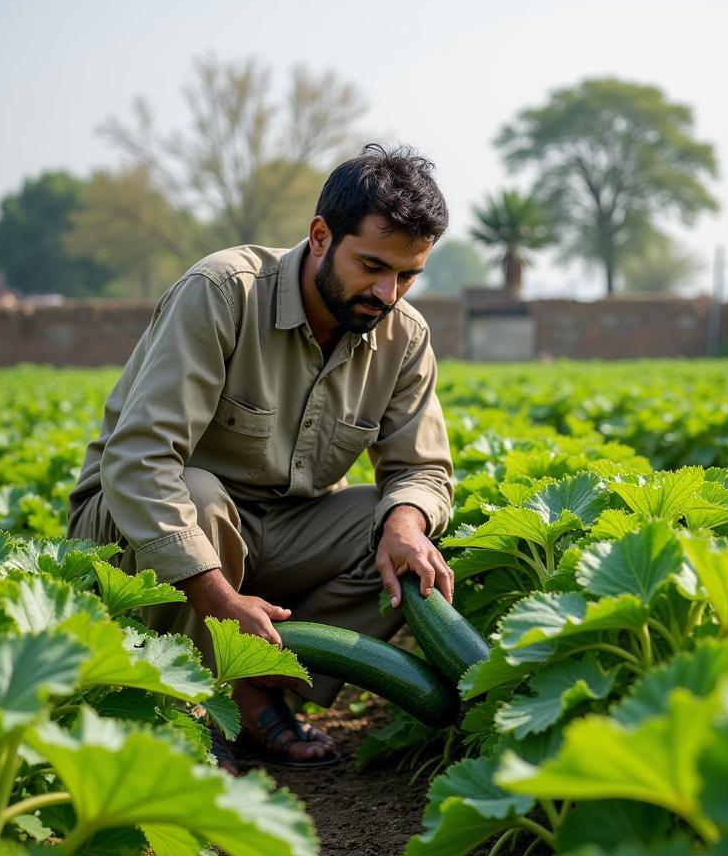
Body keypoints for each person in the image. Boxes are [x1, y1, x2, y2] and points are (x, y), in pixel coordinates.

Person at [67, 144, 455, 769]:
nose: (388, 293)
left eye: (408, 275)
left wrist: (406, 523)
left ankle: (255, 690)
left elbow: (422, 468)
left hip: (280, 529)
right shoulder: (221, 292)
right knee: (199, 496)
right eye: (373, 266)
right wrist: (222, 600)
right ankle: (182, 707)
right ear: (322, 236)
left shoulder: (402, 335)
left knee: (398, 532)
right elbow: (140, 461)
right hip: (136, 528)